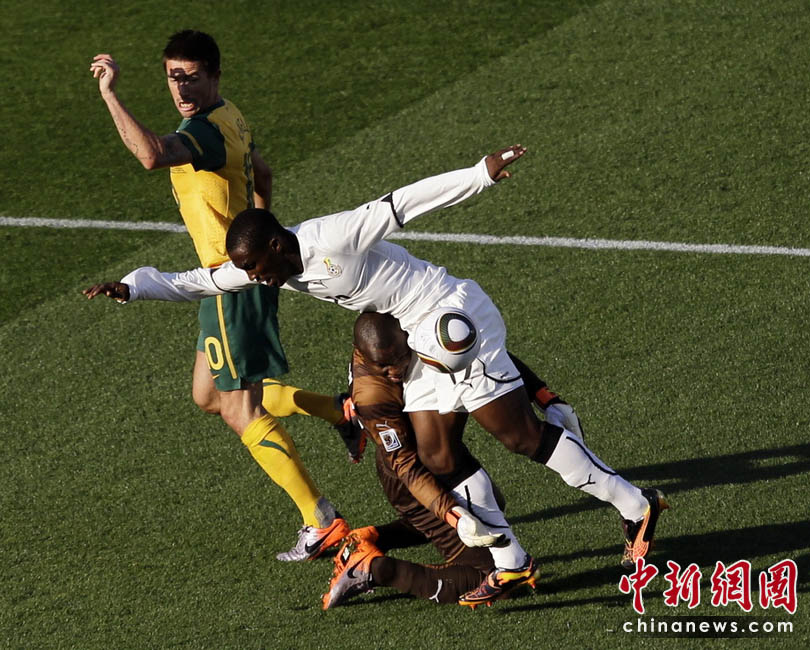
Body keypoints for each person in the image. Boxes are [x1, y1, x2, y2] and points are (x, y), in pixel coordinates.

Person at [83, 145, 667, 605]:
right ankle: (512, 562)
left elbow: (401, 204)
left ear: (278, 244)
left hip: (450, 316)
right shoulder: (270, 267)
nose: (255, 279)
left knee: (518, 436)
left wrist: (479, 175)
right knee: (437, 456)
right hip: (416, 341)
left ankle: (637, 506)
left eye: (256, 267)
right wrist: (134, 287)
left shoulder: (330, 237)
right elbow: (201, 281)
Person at [86, 30, 350, 559]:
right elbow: (263, 173)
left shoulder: (203, 131)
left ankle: (320, 519)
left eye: (191, 78)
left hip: (229, 280)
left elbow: (151, 155)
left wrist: (110, 95)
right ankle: (341, 413)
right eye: (173, 78)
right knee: (209, 396)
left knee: (238, 408)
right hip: (233, 277)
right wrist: (263, 232)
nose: (181, 88)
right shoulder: (231, 115)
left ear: (213, 75)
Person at [324, 312, 581, 609]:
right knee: (492, 578)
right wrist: (452, 515)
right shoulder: (372, 396)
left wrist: (543, 394)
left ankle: (374, 538)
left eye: (398, 359)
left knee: (490, 504)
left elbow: (476, 349)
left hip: (436, 452)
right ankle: (373, 568)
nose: (393, 370)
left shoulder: (409, 330)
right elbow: (406, 466)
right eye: (384, 365)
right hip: (411, 477)